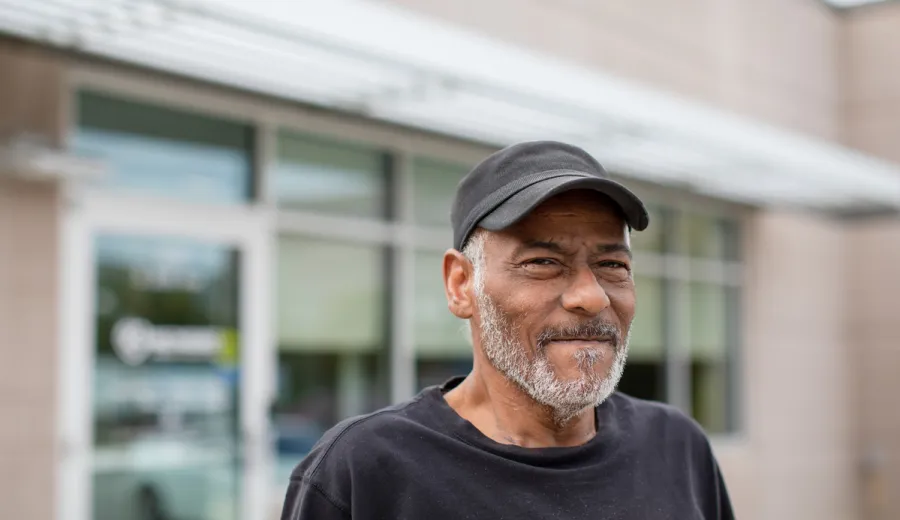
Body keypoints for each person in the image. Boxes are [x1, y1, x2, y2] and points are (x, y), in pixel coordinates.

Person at [280, 141, 735, 519]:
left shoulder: (676, 448)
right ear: (462, 285)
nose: (592, 296)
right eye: (543, 262)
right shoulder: (364, 471)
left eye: (612, 265)